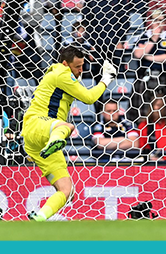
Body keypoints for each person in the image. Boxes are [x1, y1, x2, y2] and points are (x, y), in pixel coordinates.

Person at [23, 45, 117, 221]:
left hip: (38, 142)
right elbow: (89, 98)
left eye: (82, 66)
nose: (81, 71)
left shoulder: (63, 75)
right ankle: (54, 141)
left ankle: (39, 218)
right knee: (67, 127)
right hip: (37, 124)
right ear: (65, 63)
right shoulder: (61, 73)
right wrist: (106, 79)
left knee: (67, 191)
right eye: (77, 67)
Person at [127, 10, 166, 124]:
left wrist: (148, 57)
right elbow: (138, 54)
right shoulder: (142, 36)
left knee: (159, 111)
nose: (158, 23)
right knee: (141, 111)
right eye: (155, 20)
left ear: (165, 22)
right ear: (150, 21)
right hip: (144, 77)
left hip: (162, 78)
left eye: (161, 21)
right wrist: (153, 39)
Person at [80, 0, 131, 72]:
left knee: (117, 73)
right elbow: (87, 22)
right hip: (97, 43)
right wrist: (91, 44)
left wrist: (121, 40)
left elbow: (124, 21)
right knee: (98, 74)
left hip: (115, 42)